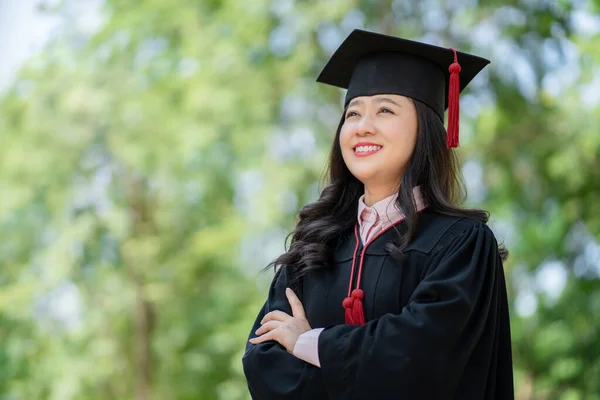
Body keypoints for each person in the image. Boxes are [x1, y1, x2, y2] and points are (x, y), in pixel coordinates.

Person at [241, 29, 514, 400]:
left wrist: (308, 343)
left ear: (427, 128)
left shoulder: (461, 244)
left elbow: (423, 357)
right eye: (353, 113)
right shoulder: (313, 249)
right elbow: (264, 362)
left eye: (385, 109)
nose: (362, 126)